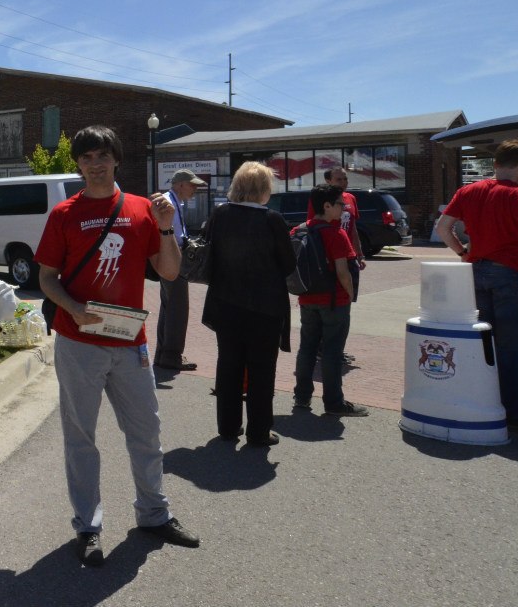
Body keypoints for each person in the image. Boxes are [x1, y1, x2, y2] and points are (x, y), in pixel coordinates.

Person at [35, 125, 199, 568]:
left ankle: (154, 514)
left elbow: (167, 272)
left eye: (102, 155)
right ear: (78, 164)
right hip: (79, 342)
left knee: (146, 432)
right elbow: (46, 277)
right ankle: (88, 527)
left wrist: (166, 230)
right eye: (86, 157)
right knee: (81, 438)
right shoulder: (64, 214)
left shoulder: (143, 209)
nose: (94, 164)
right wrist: (72, 306)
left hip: (130, 344)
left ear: (116, 159)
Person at [201, 162, 296, 446]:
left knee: (228, 365)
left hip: (225, 304)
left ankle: (228, 427)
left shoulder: (220, 214)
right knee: (261, 370)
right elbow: (288, 264)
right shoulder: (273, 220)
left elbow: (210, 252)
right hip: (265, 308)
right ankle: (259, 431)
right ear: (264, 190)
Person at [436, 138, 518, 429]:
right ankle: (513, 412)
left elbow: (443, 228)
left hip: (476, 271)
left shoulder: (469, 191)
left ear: (495, 164)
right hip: (511, 273)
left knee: (482, 341)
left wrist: (463, 252)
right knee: (512, 345)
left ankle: (484, 400)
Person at [292, 185, 369, 417]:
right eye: (339, 204)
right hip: (334, 301)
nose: (344, 209)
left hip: (307, 299)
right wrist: (350, 295)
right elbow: (343, 272)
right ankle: (334, 402)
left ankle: (302, 398)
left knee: (306, 348)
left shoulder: (298, 231)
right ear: (326, 206)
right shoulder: (336, 234)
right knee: (332, 352)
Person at [306, 166, 366, 369]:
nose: (344, 182)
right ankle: (327, 351)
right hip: (331, 257)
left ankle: (337, 349)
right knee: (333, 304)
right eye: (339, 179)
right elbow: (312, 225)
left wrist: (359, 254)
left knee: (344, 308)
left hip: (347, 255)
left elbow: (354, 228)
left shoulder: (350, 199)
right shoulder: (321, 200)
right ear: (329, 181)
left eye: (345, 178)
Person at [154, 169, 206, 371]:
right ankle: (171, 356)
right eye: (192, 185)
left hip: (171, 258)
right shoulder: (169, 203)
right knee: (178, 308)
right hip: (173, 259)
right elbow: (169, 235)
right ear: (180, 184)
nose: (195, 189)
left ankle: (163, 353)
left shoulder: (173, 201)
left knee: (169, 306)